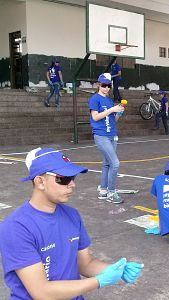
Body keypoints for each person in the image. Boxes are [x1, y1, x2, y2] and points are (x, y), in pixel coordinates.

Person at [0, 147, 143, 300]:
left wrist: (116, 269)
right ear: (40, 181)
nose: (72, 184)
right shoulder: (16, 228)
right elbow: (41, 292)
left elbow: (85, 263)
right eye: (63, 179)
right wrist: (98, 281)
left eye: (73, 177)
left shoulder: (72, 215)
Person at [88, 73, 125, 204]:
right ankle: (111, 191)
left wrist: (118, 113)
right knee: (115, 163)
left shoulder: (109, 101)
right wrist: (112, 109)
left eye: (109, 85)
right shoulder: (95, 99)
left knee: (107, 164)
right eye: (104, 85)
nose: (106, 88)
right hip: (101, 135)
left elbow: (113, 120)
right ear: (99, 85)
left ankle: (103, 190)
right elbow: (95, 117)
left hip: (111, 135)